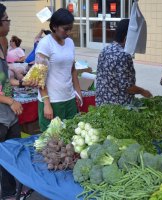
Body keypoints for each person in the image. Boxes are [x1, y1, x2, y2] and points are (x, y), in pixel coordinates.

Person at [0, 4, 37, 199]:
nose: (9, 22)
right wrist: (9, 101)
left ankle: (17, 188)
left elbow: (3, 79)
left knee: (14, 152)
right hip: (1, 113)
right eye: (6, 19)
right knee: (2, 155)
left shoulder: (4, 42)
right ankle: (7, 192)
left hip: (10, 112)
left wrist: (21, 82)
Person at [35, 8, 82, 132]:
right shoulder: (45, 44)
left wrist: (78, 92)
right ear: (54, 26)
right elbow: (40, 77)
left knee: (70, 137)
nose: (69, 32)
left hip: (69, 98)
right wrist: (46, 104)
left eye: (70, 28)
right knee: (52, 142)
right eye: (65, 29)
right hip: (52, 101)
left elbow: (72, 69)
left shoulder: (70, 43)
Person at [96, 19, 152, 106]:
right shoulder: (124, 56)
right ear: (127, 38)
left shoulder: (105, 49)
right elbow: (128, 87)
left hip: (102, 102)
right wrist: (143, 91)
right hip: (117, 107)